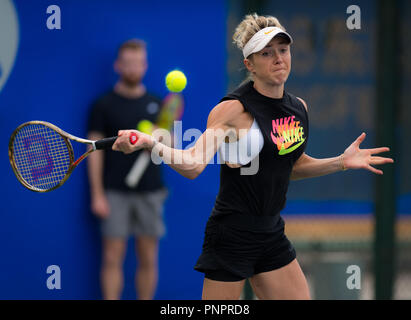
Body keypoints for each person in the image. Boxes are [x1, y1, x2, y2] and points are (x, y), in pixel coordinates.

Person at [112, 14, 394, 300]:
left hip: (271, 231)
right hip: (232, 233)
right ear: (250, 64)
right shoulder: (232, 110)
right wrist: (149, 142)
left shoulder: (299, 108)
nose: (278, 59)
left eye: (283, 50)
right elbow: (193, 164)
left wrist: (340, 162)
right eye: (267, 53)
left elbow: (292, 165)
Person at [87, 39, 168, 300]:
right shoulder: (102, 105)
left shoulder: (158, 103)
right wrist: (97, 194)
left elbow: (172, 146)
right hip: (114, 191)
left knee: (148, 256)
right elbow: (94, 153)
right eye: (128, 63)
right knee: (112, 256)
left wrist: (159, 137)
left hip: (150, 190)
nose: (133, 68)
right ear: (118, 66)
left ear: (145, 66)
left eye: (138, 62)